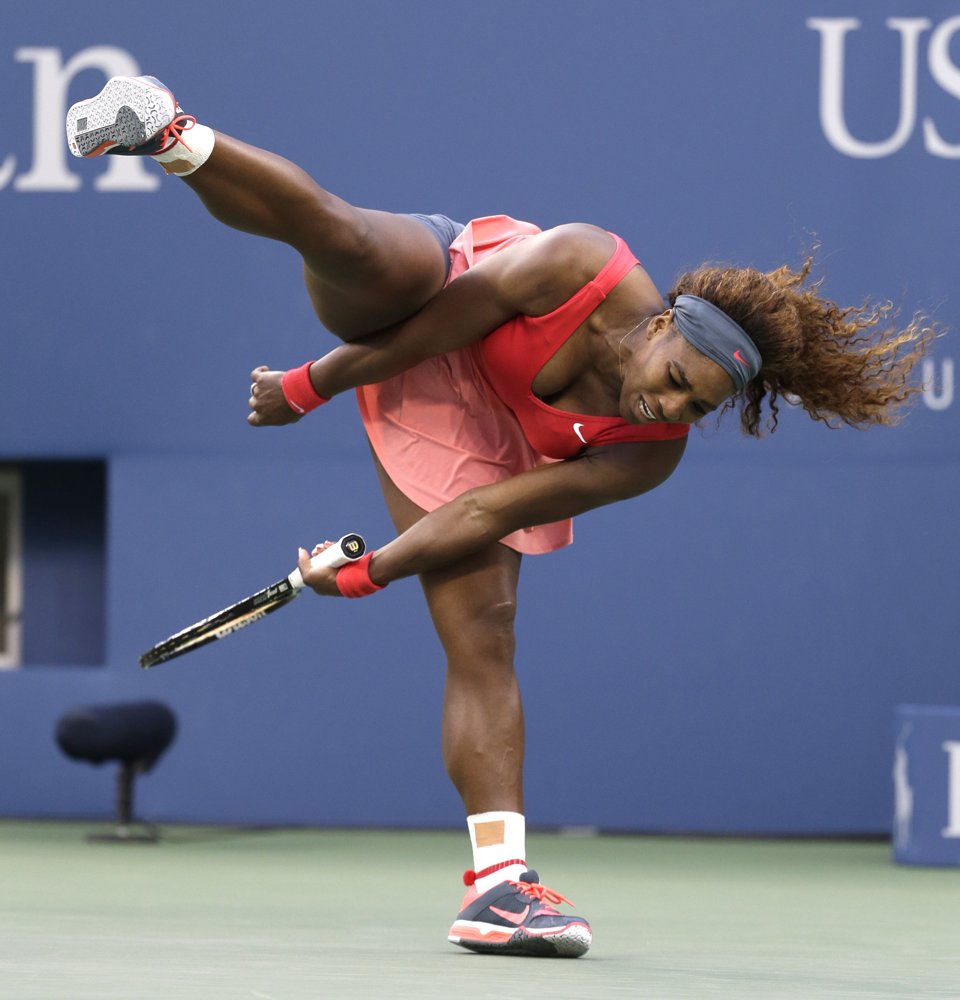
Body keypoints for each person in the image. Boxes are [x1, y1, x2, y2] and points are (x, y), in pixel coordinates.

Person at [66, 76, 932, 958]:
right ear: (663, 321)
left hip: (480, 443)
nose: (670, 408)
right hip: (430, 317)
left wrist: (367, 572)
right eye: (674, 379)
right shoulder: (580, 263)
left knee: (485, 633)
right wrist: (311, 382)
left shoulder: (647, 452)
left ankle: (499, 889)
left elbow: (486, 508)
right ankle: (167, 129)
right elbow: (443, 326)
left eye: (694, 408)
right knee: (352, 242)